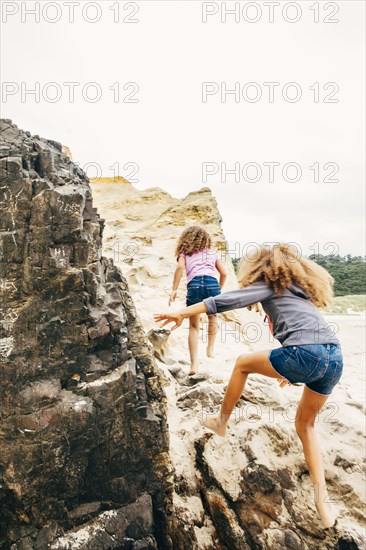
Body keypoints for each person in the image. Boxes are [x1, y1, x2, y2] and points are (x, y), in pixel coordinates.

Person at [155, 243, 343, 529]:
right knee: (306, 426)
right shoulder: (302, 293)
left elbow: (221, 301)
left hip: (306, 356)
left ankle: (221, 420)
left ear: (262, 269)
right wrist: (293, 369)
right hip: (334, 358)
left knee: (242, 362)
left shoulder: (270, 286)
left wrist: (181, 313)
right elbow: (307, 333)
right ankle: (323, 502)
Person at [169, 226, 227, 375]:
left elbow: (180, 268)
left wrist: (174, 289)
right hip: (212, 284)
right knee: (213, 316)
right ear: (206, 239)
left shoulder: (185, 253)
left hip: (194, 285)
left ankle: (194, 365)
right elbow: (224, 273)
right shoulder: (212, 252)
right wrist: (218, 289)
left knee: (194, 326)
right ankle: (210, 348)